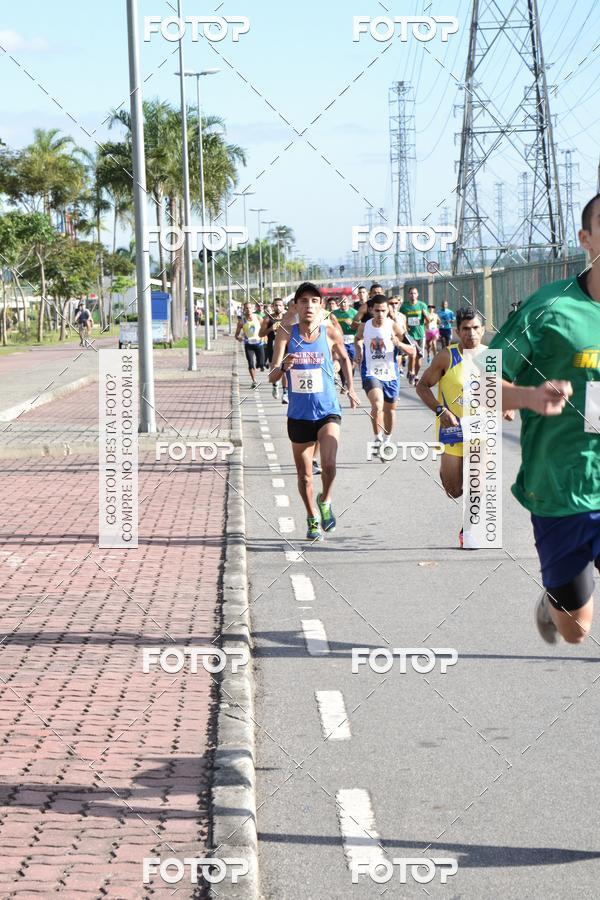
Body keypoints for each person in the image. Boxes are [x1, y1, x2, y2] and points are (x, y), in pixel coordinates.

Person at [489, 192, 600, 645]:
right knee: (576, 629)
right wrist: (529, 396)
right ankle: (555, 604)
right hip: (561, 487)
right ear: (586, 238)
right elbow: (478, 385)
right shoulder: (550, 308)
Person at [269, 282, 359, 540]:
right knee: (305, 475)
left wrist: (350, 388)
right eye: (304, 301)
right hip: (299, 415)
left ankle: (326, 500)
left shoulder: (330, 332)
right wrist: (284, 366)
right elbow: (272, 377)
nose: (309, 305)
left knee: (329, 465)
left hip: (328, 410)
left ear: (321, 306)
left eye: (314, 301)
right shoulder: (286, 334)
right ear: (295, 306)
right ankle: (311, 517)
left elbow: (344, 358)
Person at [415, 307, 488, 546]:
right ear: (457, 331)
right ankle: (448, 476)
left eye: (476, 328)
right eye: (465, 329)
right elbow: (423, 386)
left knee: (477, 480)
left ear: (483, 330)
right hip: (452, 432)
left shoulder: (492, 357)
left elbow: (501, 391)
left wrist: (508, 409)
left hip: (481, 431)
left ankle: (469, 531)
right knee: (455, 489)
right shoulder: (447, 356)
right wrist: (440, 409)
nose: (471, 334)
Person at [355, 295, 416, 458]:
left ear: (388, 310)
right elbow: (357, 339)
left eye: (383, 310)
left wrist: (399, 344)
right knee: (377, 405)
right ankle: (377, 438)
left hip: (391, 374)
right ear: (371, 310)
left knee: (390, 411)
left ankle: (387, 440)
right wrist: (359, 350)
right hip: (370, 373)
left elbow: (412, 351)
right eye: (377, 310)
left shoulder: (394, 326)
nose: (380, 314)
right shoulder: (364, 327)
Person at [400, 286, 430, 384]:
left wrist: (426, 316)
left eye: (414, 293)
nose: (413, 295)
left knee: (419, 357)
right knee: (412, 354)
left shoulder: (422, 305)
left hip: (420, 334)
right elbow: (400, 319)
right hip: (409, 335)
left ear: (417, 295)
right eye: (411, 293)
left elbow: (428, 320)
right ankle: (411, 372)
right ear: (408, 294)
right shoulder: (404, 307)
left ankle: (416, 375)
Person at [235, 302, 265, 389]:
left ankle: (260, 363)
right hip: (248, 345)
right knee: (250, 363)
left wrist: (264, 337)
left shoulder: (258, 318)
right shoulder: (241, 321)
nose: (248, 310)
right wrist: (239, 338)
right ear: (243, 310)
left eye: (250, 308)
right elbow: (236, 335)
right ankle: (254, 380)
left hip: (259, 344)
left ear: (253, 309)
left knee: (261, 364)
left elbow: (265, 329)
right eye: (246, 308)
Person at [260, 297, 286, 397]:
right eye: (276, 305)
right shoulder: (268, 318)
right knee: (275, 368)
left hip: (285, 346)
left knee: (285, 369)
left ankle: (285, 392)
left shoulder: (287, 317)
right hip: (272, 347)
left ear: (283, 307)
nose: (278, 307)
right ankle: (275, 385)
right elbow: (261, 334)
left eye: (280, 305)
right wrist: (271, 328)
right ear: (272, 306)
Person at [332, 295, 358, 393]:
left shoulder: (354, 313)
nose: (343, 304)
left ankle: (349, 380)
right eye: (341, 302)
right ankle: (344, 383)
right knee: (342, 360)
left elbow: (359, 328)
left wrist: (352, 325)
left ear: (349, 302)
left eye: (345, 301)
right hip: (339, 340)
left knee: (352, 362)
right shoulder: (334, 314)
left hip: (352, 340)